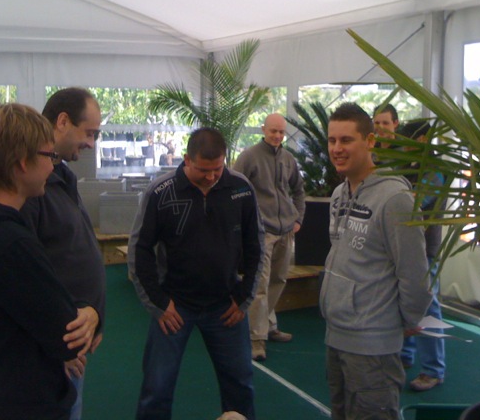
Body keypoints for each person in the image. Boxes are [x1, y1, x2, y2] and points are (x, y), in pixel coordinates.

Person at [0, 102, 98, 420]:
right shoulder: (11, 245)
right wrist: (89, 313)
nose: (52, 167)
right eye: (48, 156)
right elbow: (67, 338)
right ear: (21, 162)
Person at [128, 127, 264, 420]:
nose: (212, 177)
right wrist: (158, 303)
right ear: (187, 159)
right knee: (156, 388)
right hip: (175, 307)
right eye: (203, 170)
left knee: (240, 386)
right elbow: (140, 250)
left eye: (218, 169)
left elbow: (256, 245)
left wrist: (244, 297)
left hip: (226, 306)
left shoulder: (240, 189)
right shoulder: (160, 192)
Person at [320, 103, 432, 420]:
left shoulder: (395, 199)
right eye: (332, 140)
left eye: (346, 140)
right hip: (336, 336)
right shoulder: (339, 194)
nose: (337, 149)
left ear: (370, 141)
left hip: (374, 347)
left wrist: (405, 321)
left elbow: (414, 274)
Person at [20, 87, 106, 420]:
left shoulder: (63, 176)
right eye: (89, 133)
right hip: (52, 350)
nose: (92, 143)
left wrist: (95, 313)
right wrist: (56, 342)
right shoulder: (32, 189)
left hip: (70, 341)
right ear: (62, 121)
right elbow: (27, 278)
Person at [233, 113, 305, 361]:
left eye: (281, 132)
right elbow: (233, 190)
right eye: (273, 131)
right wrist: (245, 226)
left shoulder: (288, 158)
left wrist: (298, 219)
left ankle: (268, 324)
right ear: (263, 129)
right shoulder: (249, 156)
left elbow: (299, 190)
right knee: (259, 286)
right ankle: (256, 339)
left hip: (286, 231)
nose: (277, 136)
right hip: (261, 233)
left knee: (279, 280)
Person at [397, 120, 447, 391]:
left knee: (429, 305)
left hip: (426, 248)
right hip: (408, 246)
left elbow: (414, 202)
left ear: (423, 140)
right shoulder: (410, 166)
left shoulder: (435, 171)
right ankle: (405, 355)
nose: (402, 146)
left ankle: (433, 370)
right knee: (404, 298)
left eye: (407, 141)